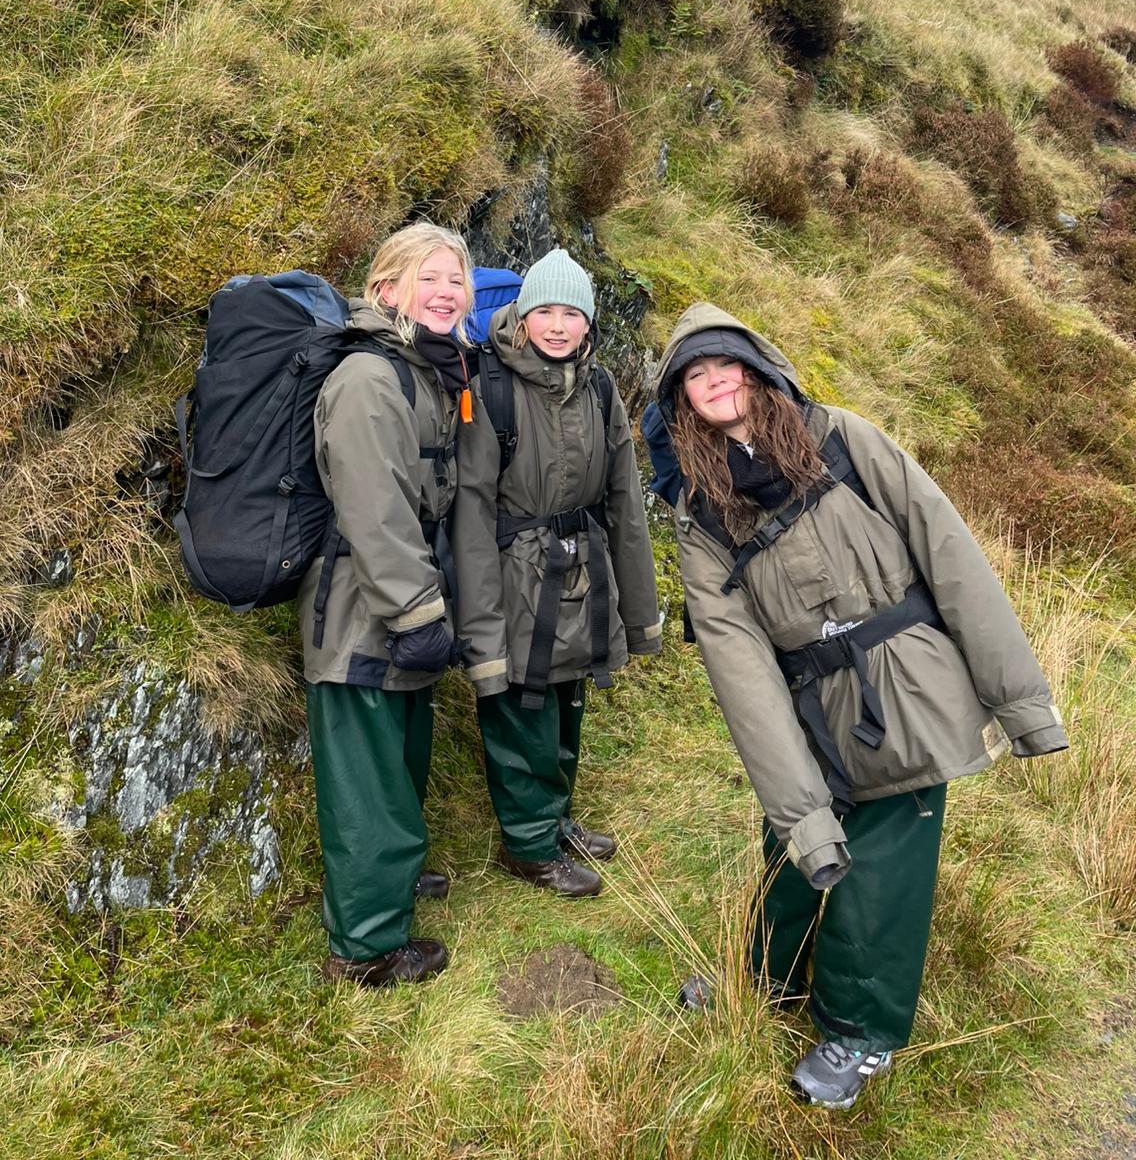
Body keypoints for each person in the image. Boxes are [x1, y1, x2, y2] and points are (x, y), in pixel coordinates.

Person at [649, 301, 1067, 1109]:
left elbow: (948, 554)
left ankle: (857, 1031)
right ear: (680, 400)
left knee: (882, 869)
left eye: (726, 363)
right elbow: (739, 668)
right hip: (807, 702)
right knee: (794, 844)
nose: (716, 381)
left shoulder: (843, 438)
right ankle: (763, 980)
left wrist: (1021, 703)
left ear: (758, 368)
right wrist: (798, 804)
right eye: (696, 375)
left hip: (909, 688)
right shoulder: (700, 514)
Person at [453, 248, 661, 896]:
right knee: (522, 708)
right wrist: (481, 626)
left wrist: (639, 613)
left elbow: (625, 503)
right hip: (515, 578)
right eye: (544, 311)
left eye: (571, 313)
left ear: (588, 322)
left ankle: (555, 820)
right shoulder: (490, 388)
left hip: (582, 572)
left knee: (566, 701)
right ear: (523, 316)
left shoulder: (599, 388)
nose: (558, 325)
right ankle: (529, 847)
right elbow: (471, 512)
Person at [298, 223, 474, 987]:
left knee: (400, 761)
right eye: (427, 277)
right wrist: (416, 614)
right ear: (384, 290)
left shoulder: (423, 371)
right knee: (367, 785)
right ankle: (366, 951)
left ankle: (389, 884)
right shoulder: (370, 378)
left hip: (398, 605)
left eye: (456, 280)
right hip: (359, 615)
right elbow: (374, 510)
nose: (446, 291)